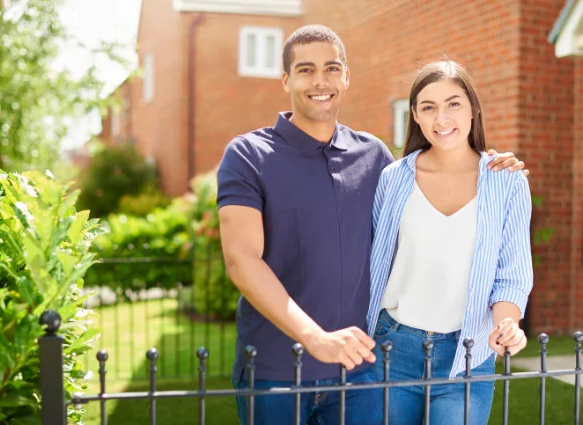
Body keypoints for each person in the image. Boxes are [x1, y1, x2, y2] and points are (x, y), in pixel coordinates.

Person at [216, 25, 528, 425]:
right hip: (279, 369)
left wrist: (495, 166)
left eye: (331, 68)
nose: (320, 81)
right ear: (286, 80)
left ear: (346, 76)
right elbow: (241, 260)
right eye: (306, 69)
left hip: (360, 368)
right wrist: (315, 338)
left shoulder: (373, 157)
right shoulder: (248, 155)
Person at [366, 60, 534, 425]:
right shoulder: (394, 179)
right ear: (416, 115)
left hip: (469, 354)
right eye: (428, 107)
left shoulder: (507, 182)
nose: (442, 118)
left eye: (453, 104)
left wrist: (507, 325)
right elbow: (375, 262)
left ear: (473, 108)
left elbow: (512, 273)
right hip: (393, 348)